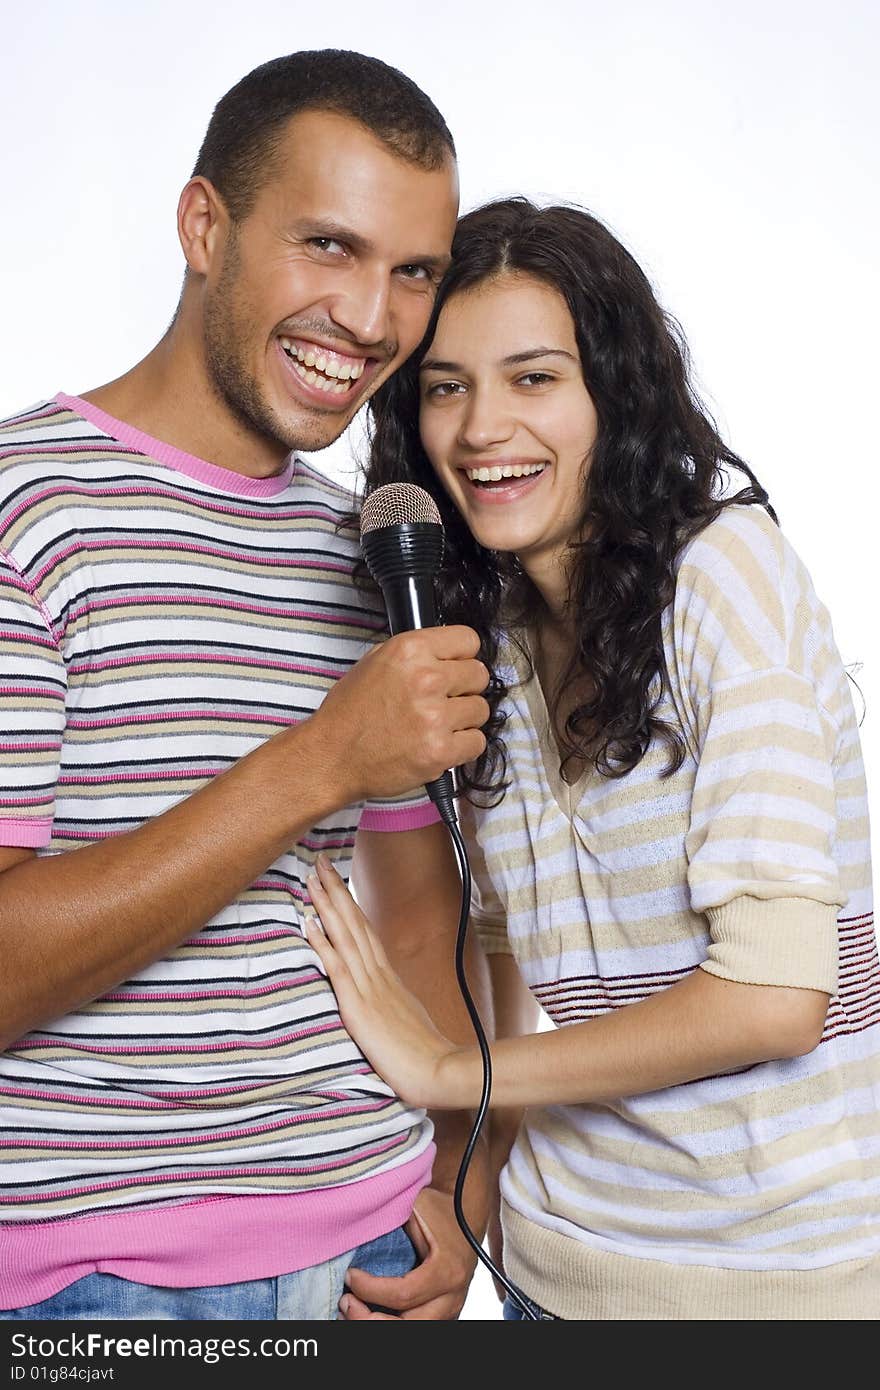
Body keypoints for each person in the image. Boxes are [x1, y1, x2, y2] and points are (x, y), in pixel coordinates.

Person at [304, 198, 879, 1320]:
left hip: (776, 1291)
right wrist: (465, 1189)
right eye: (446, 386)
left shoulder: (724, 575)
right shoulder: (494, 639)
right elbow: (499, 952)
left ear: (610, 397)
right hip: (548, 1267)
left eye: (533, 378)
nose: (480, 432)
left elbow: (773, 996)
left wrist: (445, 1073)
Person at [0, 50, 494, 1322]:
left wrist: (448, 1180)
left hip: (374, 1252)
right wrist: (321, 761)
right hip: (101, 1289)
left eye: (413, 272)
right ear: (204, 226)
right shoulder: (26, 516)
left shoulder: (369, 547)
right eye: (328, 246)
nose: (373, 319)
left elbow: (410, 920)